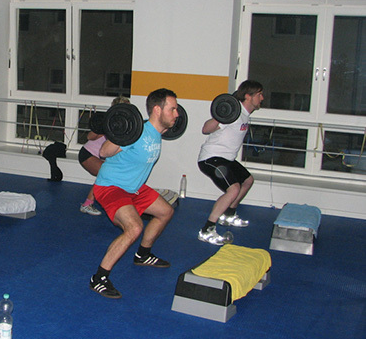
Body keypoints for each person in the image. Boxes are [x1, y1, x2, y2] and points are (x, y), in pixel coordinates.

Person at [89, 89, 179, 299]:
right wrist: (121, 134)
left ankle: (143, 254)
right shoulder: (136, 131)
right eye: (172, 109)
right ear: (157, 110)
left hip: (134, 187)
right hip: (111, 186)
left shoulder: (157, 132)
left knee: (165, 212)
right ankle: (99, 278)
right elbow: (103, 152)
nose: (177, 114)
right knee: (134, 227)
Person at [197, 80, 264, 245]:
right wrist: (220, 116)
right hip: (211, 157)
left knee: (247, 181)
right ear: (248, 96)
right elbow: (206, 129)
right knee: (233, 189)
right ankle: (207, 230)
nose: (262, 98)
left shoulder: (245, 114)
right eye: (259, 94)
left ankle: (228, 214)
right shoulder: (234, 112)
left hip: (226, 159)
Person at [78, 96, 131, 216]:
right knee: (106, 175)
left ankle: (120, 203)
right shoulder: (107, 122)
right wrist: (104, 130)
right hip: (88, 154)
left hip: (102, 156)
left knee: (116, 176)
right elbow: (89, 137)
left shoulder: (126, 125)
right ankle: (87, 204)